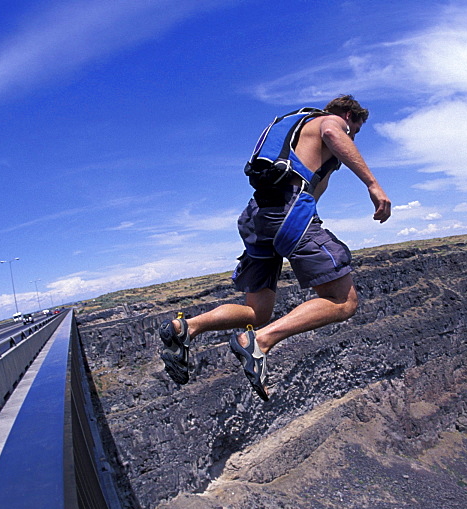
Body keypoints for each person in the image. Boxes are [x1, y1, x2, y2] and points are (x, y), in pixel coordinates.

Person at [159, 94, 391, 400]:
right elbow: (334, 133)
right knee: (343, 301)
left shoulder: (293, 128)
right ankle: (260, 342)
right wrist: (373, 185)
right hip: (288, 213)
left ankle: (186, 327)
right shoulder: (332, 122)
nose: (353, 136)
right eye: (356, 129)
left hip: (257, 216)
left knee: (257, 311)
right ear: (350, 115)